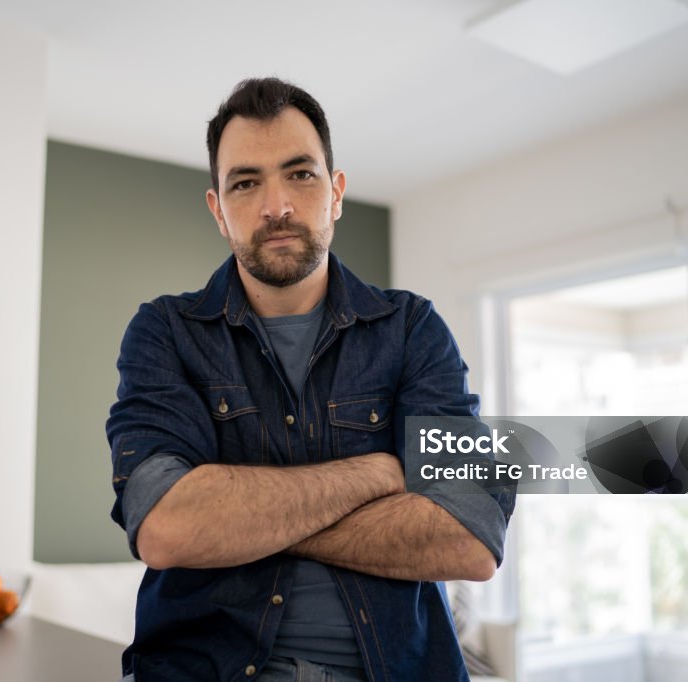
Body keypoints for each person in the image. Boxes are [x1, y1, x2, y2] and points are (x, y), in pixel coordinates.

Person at [106, 77, 513, 682]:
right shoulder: (166, 332)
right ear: (219, 210)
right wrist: (382, 472)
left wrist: (242, 521)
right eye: (246, 182)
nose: (277, 206)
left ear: (336, 192)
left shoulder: (412, 329)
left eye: (300, 174)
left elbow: (470, 537)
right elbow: (167, 527)